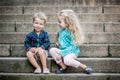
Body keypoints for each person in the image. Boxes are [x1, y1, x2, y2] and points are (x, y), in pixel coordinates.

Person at [49, 9, 93, 74]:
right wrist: (58, 43)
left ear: (67, 23)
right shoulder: (61, 31)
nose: (58, 24)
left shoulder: (72, 32)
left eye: (60, 22)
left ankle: (84, 67)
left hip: (72, 52)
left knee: (67, 60)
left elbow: (73, 47)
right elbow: (63, 41)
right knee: (52, 50)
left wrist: (61, 54)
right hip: (63, 51)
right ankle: (64, 67)